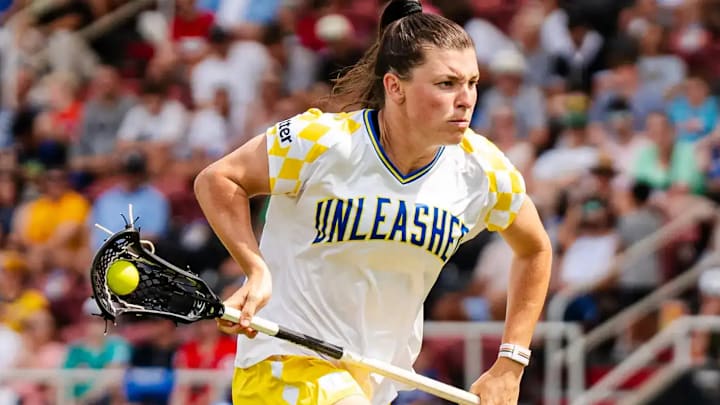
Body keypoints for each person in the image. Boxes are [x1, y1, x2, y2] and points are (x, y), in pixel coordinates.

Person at [193, 1, 553, 405]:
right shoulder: (321, 142)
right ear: (395, 87)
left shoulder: (483, 170)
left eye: (472, 82)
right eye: (446, 84)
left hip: (370, 383)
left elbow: (535, 249)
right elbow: (218, 180)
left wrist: (511, 361)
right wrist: (255, 269)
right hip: (282, 365)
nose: (466, 98)